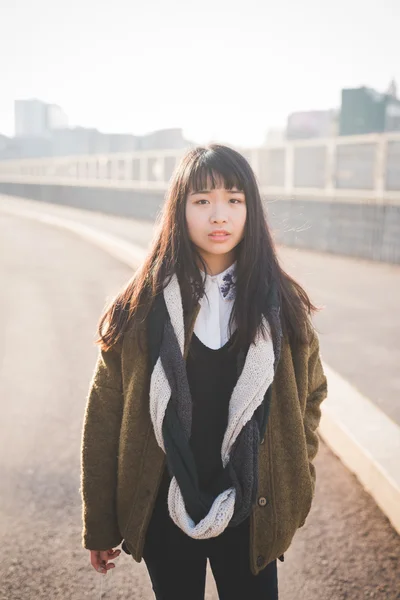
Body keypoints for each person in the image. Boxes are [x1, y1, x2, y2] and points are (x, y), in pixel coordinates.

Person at [80, 144, 328, 600]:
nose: (219, 215)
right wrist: (100, 522)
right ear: (180, 209)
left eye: (234, 200)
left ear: (250, 210)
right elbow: (104, 415)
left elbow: (311, 396)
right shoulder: (140, 306)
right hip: (163, 502)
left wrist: (296, 474)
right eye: (202, 201)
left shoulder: (282, 305)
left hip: (253, 505)